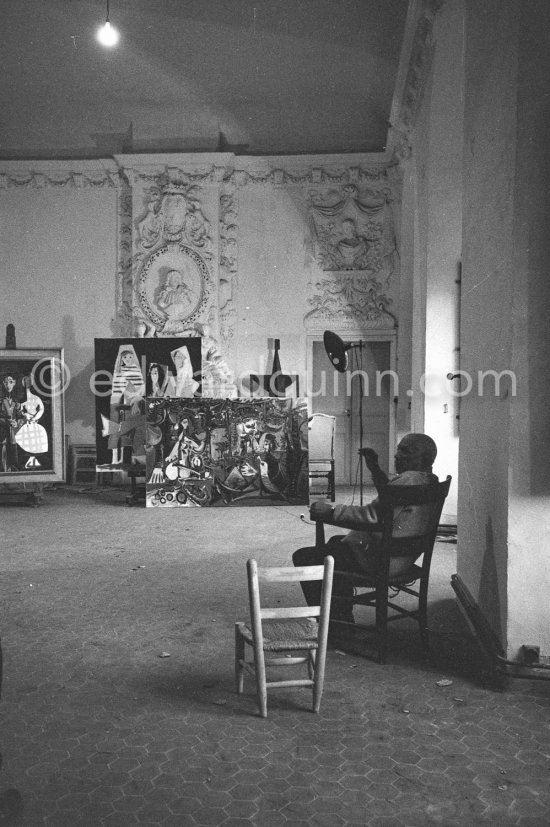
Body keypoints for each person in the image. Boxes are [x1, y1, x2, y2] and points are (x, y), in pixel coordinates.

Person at [293, 433, 439, 623]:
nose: (397, 455)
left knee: (305, 557)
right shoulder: (427, 481)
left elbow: (373, 516)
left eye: (405, 451)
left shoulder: (409, 480)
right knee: (335, 544)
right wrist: (375, 468)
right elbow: (390, 498)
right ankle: (341, 615)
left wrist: (330, 512)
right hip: (402, 557)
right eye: (398, 449)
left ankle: (336, 623)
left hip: (384, 560)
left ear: (424, 458)